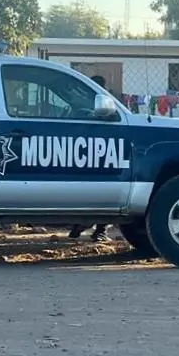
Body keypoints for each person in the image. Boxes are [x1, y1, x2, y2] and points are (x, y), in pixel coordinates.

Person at [69, 74, 111, 242]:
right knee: (102, 191)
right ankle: (96, 229)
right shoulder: (102, 102)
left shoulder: (83, 101)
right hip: (97, 150)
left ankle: (84, 227)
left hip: (86, 150)